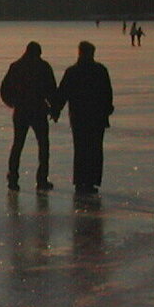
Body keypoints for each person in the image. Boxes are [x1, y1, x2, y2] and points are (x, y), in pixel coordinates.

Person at [53, 41, 114, 195]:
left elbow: (63, 93)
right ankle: (91, 181)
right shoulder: (100, 70)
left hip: (79, 117)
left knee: (81, 149)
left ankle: (81, 181)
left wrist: (55, 109)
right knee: (94, 149)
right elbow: (107, 94)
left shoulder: (73, 71)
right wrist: (107, 110)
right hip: (96, 117)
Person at [0, 41, 58, 192]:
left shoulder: (16, 66)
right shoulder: (43, 67)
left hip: (21, 111)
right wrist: (54, 109)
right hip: (38, 111)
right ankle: (42, 179)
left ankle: (13, 178)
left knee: (18, 144)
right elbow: (51, 89)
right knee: (43, 146)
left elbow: (4, 88)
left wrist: (12, 102)